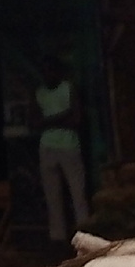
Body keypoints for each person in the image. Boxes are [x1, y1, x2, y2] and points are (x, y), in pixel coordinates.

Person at [33, 56, 87, 245]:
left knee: (77, 194)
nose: (47, 75)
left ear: (58, 72)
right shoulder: (39, 92)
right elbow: (34, 122)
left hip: (68, 146)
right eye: (44, 71)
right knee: (53, 197)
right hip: (49, 148)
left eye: (50, 70)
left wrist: (48, 121)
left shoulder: (67, 88)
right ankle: (58, 238)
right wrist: (62, 116)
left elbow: (76, 120)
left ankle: (84, 235)